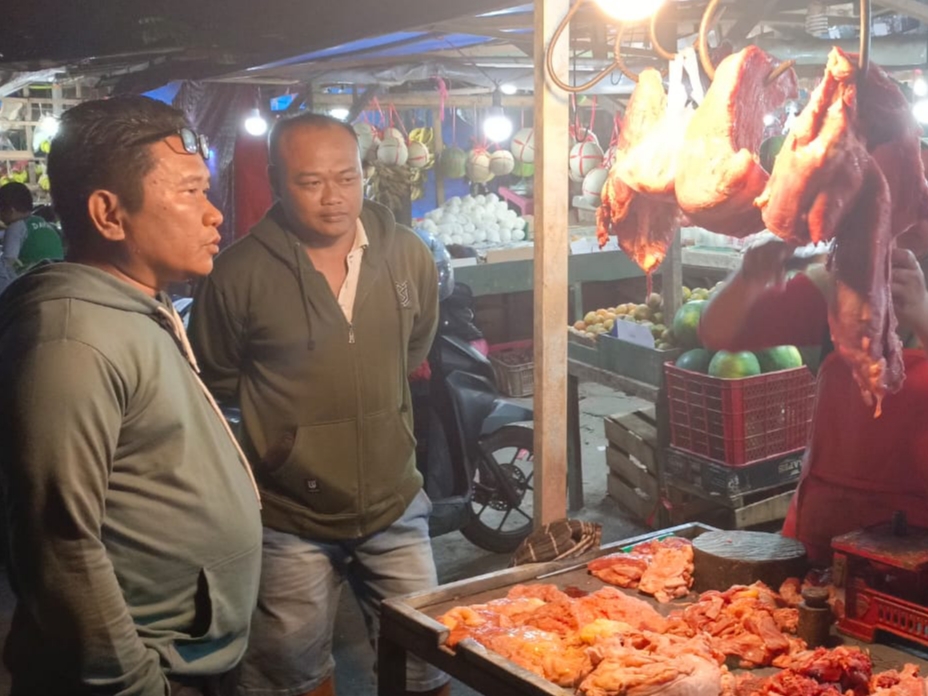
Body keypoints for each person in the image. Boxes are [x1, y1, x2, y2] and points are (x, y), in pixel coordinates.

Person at [0, 95, 264, 696]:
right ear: (110, 214)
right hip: (147, 675)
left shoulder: (142, 302)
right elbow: (59, 548)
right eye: (192, 193)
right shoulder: (70, 342)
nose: (215, 214)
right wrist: (134, 683)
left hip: (191, 654)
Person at [188, 112, 446, 696]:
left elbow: (413, 347)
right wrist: (284, 447)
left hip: (394, 501)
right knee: (290, 676)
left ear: (364, 175)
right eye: (311, 183)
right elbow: (218, 380)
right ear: (278, 182)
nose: (334, 198)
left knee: (428, 666)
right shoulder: (237, 274)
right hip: (288, 519)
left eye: (347, 178)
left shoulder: (408, 255)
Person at [699, 223, 928, 565]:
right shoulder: (836, 283)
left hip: (916, 557)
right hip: (822, 538)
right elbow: (719, 333)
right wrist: (748, 277)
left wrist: (923, 317)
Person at [0, 181, 64, 278]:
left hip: (35, 280)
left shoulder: (15, 227)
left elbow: (8, 262)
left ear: (11, 210)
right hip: (60, 274)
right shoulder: (44, 223)